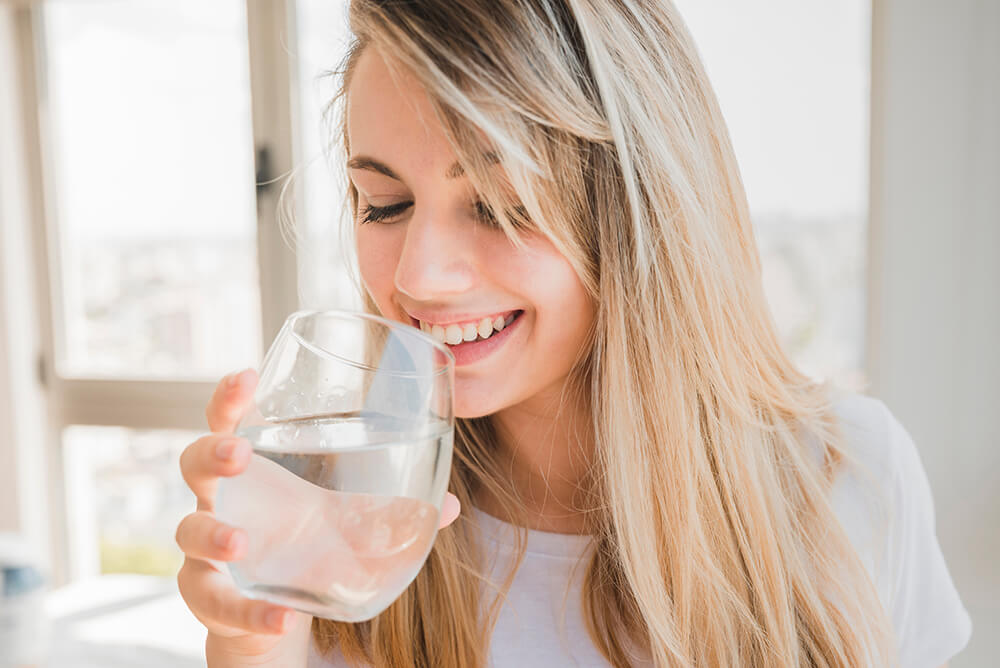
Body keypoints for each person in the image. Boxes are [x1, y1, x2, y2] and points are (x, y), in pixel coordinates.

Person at [175, 1, 973, 666]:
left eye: (497, 201)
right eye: (382, 203)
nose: (418, 275)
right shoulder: (340, 542)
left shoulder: (854, 481)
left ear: (639, 207)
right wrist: (255, 652)